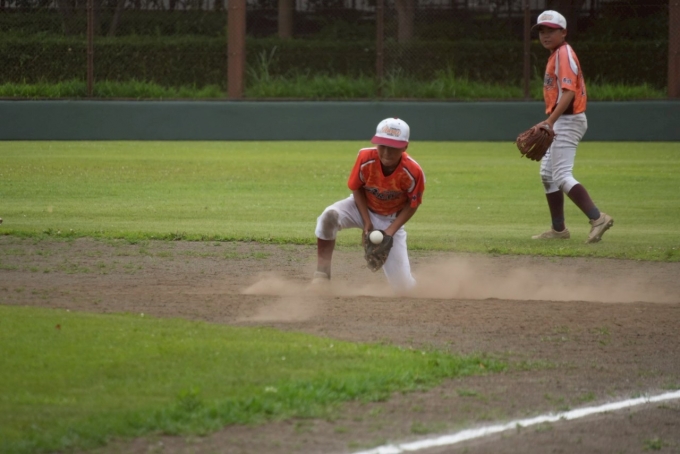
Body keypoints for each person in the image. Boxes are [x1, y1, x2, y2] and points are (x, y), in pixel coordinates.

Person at [312, 117, 425, 294]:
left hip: (390, 219)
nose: (386, 152)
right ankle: (322, 275)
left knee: (404, 290)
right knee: (329, 216)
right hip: (359, 206)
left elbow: (413, 204)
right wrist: (366, 222)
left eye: (393, 147)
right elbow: (356, 188)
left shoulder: (413, 171)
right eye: (382, 145)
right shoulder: (365, 157)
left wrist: (390, 232)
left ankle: (418, 282)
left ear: (405, 147)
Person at [530, 10, 614, 243]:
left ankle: (597, 218)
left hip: (568, 119)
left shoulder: (563, 54)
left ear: (564, 32)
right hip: (562, 120)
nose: (545, 35)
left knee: (561, 175)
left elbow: (569, 93)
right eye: (541, 31)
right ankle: (559, 230)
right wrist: (551, 121)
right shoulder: (556, 54)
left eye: (551, 30)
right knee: (548, 174)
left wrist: (550, 122)